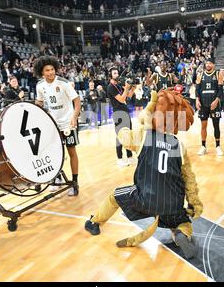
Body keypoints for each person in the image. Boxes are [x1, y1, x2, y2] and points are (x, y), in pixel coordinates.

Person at [84, 90, 202, 259]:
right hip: (173, 203)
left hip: (145, 198)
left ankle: (94, 222)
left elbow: (124, 137)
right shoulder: (179, 145)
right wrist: (193, 203)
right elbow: (189, 179)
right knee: (182, 221)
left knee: (115, 196)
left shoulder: (144, 136)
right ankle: (181, 233)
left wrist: (122, 123)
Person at [35, 56, 81, 196]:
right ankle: (58, 177)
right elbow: (39, 103)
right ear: (42, 72)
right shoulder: (40, 86)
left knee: (71, 152)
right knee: (53, 152)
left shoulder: (64, 83)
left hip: (68, 123)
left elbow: (77, 101)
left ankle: (74, 183)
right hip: (53, 124)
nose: (50, 72)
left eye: (52, 69)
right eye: (47, 70)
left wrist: (74, 117)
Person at [106, 67, 136, 167]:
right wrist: (127, 88)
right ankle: (119, 158)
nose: (117, 74)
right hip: (118, 113)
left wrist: (132, 87)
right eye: (114, 73)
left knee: (129, 134)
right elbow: (122, 99)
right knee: (120, 136)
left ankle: (130, 156)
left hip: (125, 111)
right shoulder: (110, 87)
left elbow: (129, 96)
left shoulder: (118, 85)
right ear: (110, 76)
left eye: (117, 73)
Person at [195, 58, 224, 156]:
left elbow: (221, 90)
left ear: (214, 65)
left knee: (216, 125)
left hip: (214, 104)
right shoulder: (200, 74)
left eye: (210, 63)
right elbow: (197, 89)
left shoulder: (217, 74)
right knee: (203, 125)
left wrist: (217, 100)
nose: (208, 65)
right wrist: (197, 100)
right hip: (203, 104)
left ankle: (218, 146)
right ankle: (203, 146)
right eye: (207, 63)